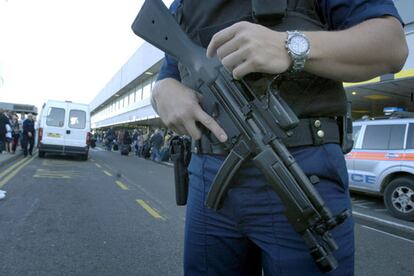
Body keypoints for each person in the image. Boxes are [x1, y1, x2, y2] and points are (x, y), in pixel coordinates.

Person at [150, 0, 408, 275]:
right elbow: (169, 73)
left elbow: (391, 46)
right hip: (208, 173)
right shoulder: (184, 4)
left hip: (299, 170)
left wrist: (292, 46)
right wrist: (161, 90)